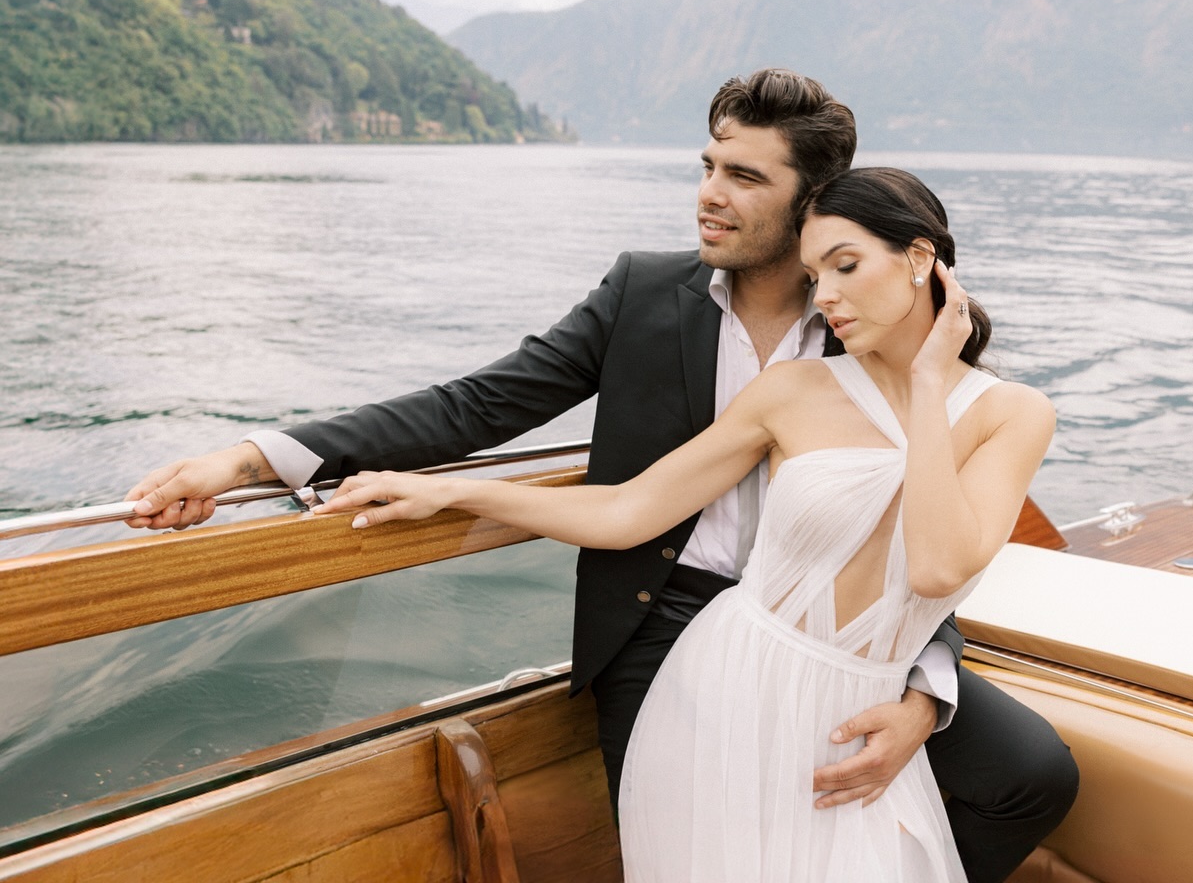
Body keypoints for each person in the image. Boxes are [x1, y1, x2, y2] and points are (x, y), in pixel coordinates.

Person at [126, 69, 1078, 883]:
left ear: (817, 199)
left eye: (744, 175)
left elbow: (919, 542)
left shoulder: (880, 331)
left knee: (1030, 775)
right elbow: (476, 406)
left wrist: (924, 689)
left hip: (858, 643)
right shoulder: (646, 294)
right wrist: (256, 458)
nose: (709, 192)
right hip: (671, 619)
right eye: (708, 164)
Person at [311, 166, 1055, 881]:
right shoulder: (792, 390)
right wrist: (461, 495)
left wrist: (928, 382)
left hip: (862, 698)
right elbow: (631, 508)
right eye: (814, 274)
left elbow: (936, 570)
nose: (824, 295)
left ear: (920, 258)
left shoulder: (1012, 414)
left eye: (846, 266)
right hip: (730, 680)